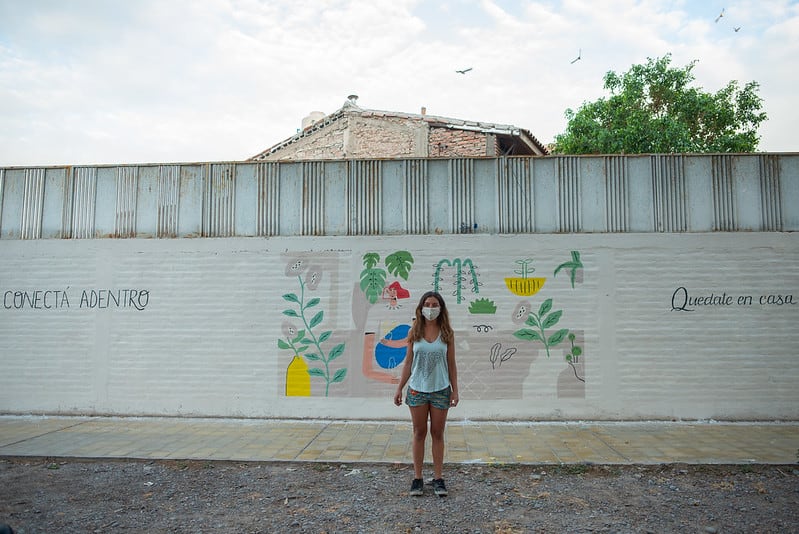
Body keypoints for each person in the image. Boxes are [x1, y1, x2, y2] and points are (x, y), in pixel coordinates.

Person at [394, 291, 459, 497]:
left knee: (438, 434)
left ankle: (438, 478)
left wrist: (455, 389)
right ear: (421, 308)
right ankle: (417, 478)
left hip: (440, 389)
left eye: (435, 304)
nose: (431, 308)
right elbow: (408, 363)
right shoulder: (415, 331)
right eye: (427, 304)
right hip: (417, 390)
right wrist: (399, 388)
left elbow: (451, 364)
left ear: (441, 308)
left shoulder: (447, 333)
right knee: (419, 432)